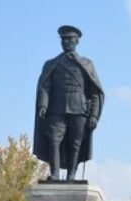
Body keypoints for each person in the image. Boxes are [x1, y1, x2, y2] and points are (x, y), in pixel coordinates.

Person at [33, 25, 104, 180]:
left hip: (79, 109)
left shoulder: (87, 64)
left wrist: (93, 116)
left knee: (75, 143)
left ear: (77, 41)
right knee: (53, 140)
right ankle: (55, 174)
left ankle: (71, 175)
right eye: (63, 39)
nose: (66, 42)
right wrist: (43, 104)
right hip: (56, 109)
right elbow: (45, 86)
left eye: (69, 39)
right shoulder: (51, 64)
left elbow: (95, 93)